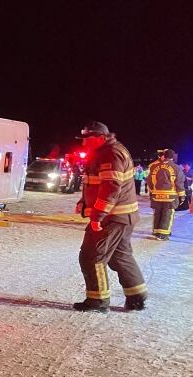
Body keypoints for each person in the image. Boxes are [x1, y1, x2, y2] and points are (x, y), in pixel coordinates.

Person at [74, 121, 147, 312]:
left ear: (99, 138)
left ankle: (98, 300)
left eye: (87, 139)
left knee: (91, 256)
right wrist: (84, 201)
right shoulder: (108, 151)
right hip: (121, 217)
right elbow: (97, 183)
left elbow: (110, 188)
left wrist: (97, 216)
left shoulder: (110, 154)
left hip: (112, 218)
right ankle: (137, 297)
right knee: (120, 257)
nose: (84, 143)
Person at [147, 149, 186, 239]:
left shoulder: (154, 166)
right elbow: (179, 182)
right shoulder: (176, 167)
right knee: (167, 214)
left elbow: (149, 181)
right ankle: (163, 234)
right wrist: (182, 196)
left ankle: (156, 231)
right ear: (173, 156)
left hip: (156, 195)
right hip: (170, 196)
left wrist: (152, 192)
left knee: (157, 213)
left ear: (164, 155)